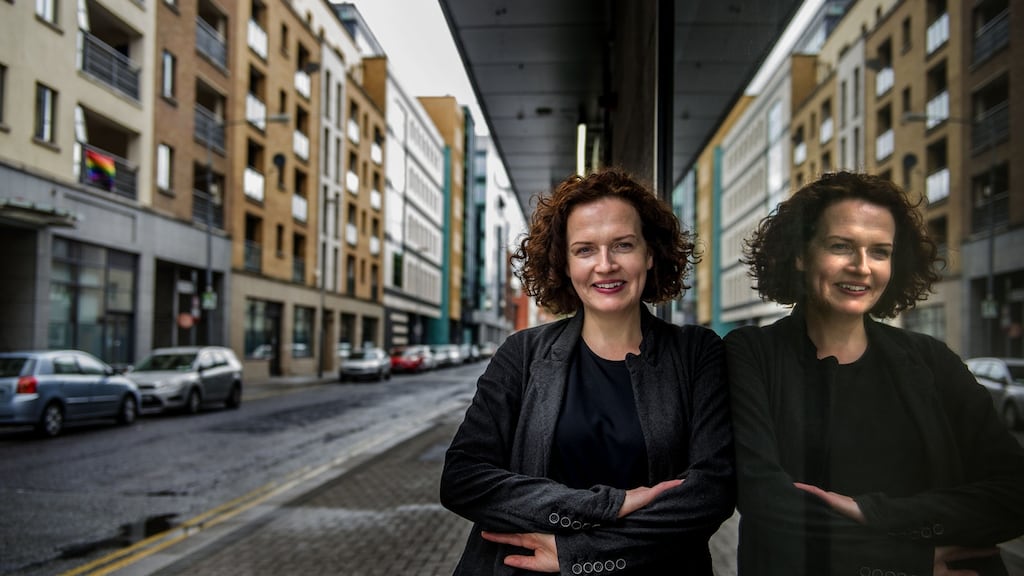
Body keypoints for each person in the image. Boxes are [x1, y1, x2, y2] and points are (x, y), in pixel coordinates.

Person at [724, 171, 1024, 576]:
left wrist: (875, 513)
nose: (862, 267)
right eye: (841, 246)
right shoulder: (752, 355)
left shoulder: (932, 361)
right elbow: (767, 503)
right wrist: (908, 561)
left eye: (880, 251)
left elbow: (1013, 493)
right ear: (800, 253)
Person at [440, 169, 735, 574]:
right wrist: (605, 505)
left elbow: (711, 492)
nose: (605, 265)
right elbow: (463, 479)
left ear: (650, 254)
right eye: (584, 250)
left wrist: (576, 554)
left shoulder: (697, 352)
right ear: (563, 263)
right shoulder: (522, 353)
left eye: (623, 245)